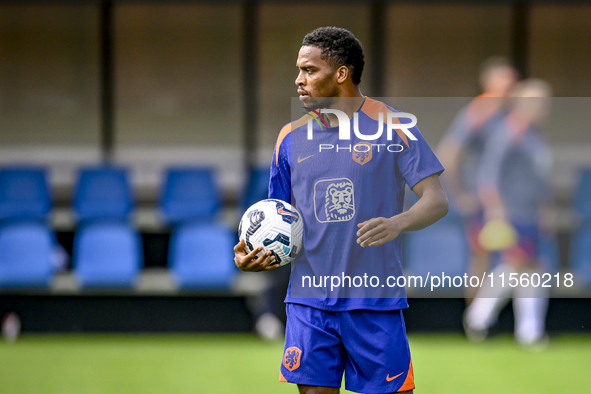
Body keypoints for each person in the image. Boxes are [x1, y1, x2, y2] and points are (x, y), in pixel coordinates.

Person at [234, 27, 448, 394]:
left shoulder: (394, 125)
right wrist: (252, 256)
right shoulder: (289, 137)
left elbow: (436, 199)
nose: (298, 80)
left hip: (374, 301)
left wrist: (398, 223)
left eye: (309, 70)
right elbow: (279, 221)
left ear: (341, 74)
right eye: (299, 70)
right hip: (309, 302)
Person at [463, 78, 553, 347]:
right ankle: (488, 319)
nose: (544, 108)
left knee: (527, 269)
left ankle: (515, 326)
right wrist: (496, 213)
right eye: (538, 101)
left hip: (530, 213)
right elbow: (488, 175)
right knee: (522, 266)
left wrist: (544, 210)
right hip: (510, 213)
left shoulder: (535, 136)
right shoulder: (508, 132)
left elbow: (539, 179)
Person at [436, 57, 519, 302]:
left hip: (511, 200)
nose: (509, 85)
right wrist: (461, 194)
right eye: (503, 79)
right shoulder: (479, 112)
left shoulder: (513, 114)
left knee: (515, 257)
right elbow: (449, 154)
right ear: (488, 82)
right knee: (483, 257)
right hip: (484, 199)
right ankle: (474, 321)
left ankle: (501, 322)